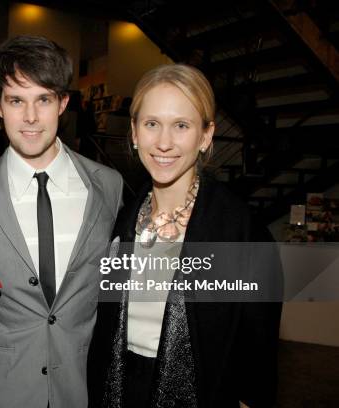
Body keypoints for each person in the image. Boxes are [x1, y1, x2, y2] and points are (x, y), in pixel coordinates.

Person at [88, 64, 283, 407]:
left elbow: (258, 354)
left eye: (181, 125)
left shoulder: (239, 232)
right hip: (119, 393)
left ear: (206, 135)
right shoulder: (122, 220)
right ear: (134, 132)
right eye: (152, 124)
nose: (164, 143)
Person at [0, 36, 123, 408]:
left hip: (83, 387)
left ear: (63, 103)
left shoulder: (108, 185)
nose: (31, 118)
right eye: (16, 101)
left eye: (44, 99)